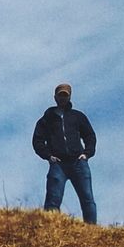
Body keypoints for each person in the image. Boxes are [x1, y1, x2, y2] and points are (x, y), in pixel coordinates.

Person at [32, 83, 98, 224]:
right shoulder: (47, 119)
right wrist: (48, 156)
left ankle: (92, 231)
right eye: (60, 95)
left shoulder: (78, 116)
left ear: (69, 97)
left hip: (78, 163)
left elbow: (90, 136)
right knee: (52, 200)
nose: (62, 98)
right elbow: (37, 141)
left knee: (87, 199)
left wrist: (86, 154)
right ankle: (50, 231)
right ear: (55, 97)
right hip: (58, 165)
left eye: (65, 95)